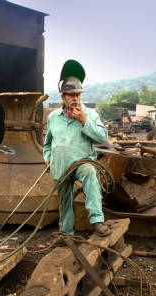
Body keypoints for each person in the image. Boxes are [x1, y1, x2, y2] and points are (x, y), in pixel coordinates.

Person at [43, 63, 111, 237]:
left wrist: (84, 121)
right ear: (63, 97)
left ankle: (97, 220)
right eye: (71, 95)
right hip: (61, 166)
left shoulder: (90, 115)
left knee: (89, 173)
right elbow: (48, 143)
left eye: (78, 94)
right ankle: (66, 234)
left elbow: (103, 137)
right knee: (64, 200)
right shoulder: (53, 118)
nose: (75, 98)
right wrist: (48, 156)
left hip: (82, 162)